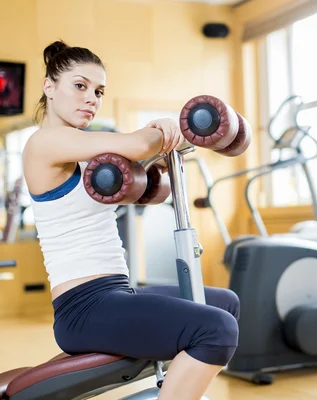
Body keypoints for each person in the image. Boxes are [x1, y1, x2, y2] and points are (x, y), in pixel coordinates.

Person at [22, 40, 240, 400]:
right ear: (49, 87)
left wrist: (150, 165)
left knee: (224, 304)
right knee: (216, 329)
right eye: (80, 86)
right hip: (84, 308)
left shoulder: (81, 150)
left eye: (99, 91)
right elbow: (138, 145)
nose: (91, 98)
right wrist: (169, 127)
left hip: (116, 292)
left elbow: (140, 169)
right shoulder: (44, 143)